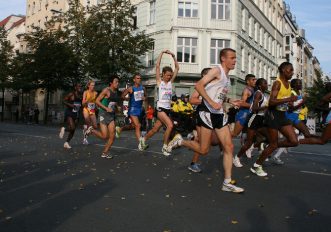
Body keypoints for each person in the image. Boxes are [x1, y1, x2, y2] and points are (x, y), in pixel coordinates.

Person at [168, 48, 245, 193]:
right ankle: (181, 141)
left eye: (235, 58)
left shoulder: (227, 77)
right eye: (232, 58)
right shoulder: (217, 70)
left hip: (219, 114)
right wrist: (210, 102)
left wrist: (230, 100)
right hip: (207, 113)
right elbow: (198, 86)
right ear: (223, 59)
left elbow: (218, 95)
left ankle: (227, 182)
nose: (235, 60)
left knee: (229, 147)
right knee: (204, 150)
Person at [251, 62, 298, 177]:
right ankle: (256, 166)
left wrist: (290, 104)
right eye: (290, 70)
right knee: (274, 145)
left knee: (294, 141)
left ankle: (270, 145)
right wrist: (288, 99)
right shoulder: (277, 83)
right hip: (273, 115)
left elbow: (283, 101)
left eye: (292, 70)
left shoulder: (288, 84)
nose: (292, 72)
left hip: (282, 115)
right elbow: (272, 102)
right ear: (283, 70)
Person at [139, 49, 179, 156]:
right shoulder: (159, 82)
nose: (169, 77)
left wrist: (173, 56)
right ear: (163, 75)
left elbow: (177, 68)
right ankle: (165, 147)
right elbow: (157, 66)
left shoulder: (170, 83)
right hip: (160, 109)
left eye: (170, 75)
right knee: (170, 126)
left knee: (155, 129)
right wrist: (162, 53)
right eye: (167, 75)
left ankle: (143, 140)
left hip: (167, 109)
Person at [233, 78, 269, 168]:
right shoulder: (258, 94)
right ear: (260, 85)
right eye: (265, 83)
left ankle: (253, 148)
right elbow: (254, 109)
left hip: (260, 119)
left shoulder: (264, 94)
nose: (267, 84)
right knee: (249, 141)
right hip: (254, 118)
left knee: (266, 138)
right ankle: (237, 158)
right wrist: (266, 107)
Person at [85, 75, 122, 158]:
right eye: (116, 82)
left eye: (118, 82)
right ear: (111, 83)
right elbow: (97, 101)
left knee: (112, 136)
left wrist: (117, 107)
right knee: (105, 136)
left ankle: (105, 152)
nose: (117, 83)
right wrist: (106, 108)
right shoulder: (106, 90)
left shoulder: (116, 92)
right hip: (103, 114)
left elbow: (113, 102)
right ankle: (92, 130)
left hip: (111, 116)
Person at [116, 73, 147, 150]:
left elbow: (146, 98)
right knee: (138, 125)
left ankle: (120, 129)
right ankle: (141, 144)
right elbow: (122, 96)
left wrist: (144, 99)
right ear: (134, 80)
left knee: (133, 126)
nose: (139, 80)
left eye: (140, 78)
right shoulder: (130, 88)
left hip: (139, 109)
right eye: (137, 78)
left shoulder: (143, 88)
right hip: (132, 109)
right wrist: (126, 99)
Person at [232, 74, 256, 158]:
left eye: (255, 79)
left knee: (252, 133)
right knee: (234, 134)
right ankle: (221, 142)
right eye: (253, 80)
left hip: (249, 114)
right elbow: (242, 103)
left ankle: (247, 149)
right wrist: (253, 106)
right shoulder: (247, 90)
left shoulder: (253, 89)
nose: (254, 81)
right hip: (243, 114)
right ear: (247, 81)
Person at [59, 83, 82, 149]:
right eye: (79, 86)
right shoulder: (71, 94)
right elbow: (63, 100)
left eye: (81, 86)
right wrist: (70, 105)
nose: (80, 87)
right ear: (75, 87)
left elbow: (81, 104)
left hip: (76, 113)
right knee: (72, 127)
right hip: (69, 112)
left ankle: (66, 143)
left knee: (73, 130)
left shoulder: (81, 95)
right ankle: (63, 129)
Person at [82, 80, 98, 145]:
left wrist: (97, 107)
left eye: (94, 85)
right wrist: (86, 101)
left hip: (92, 110)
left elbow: (96, 102)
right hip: (86, 109)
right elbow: (83, 103)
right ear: (88, 86)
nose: (93, 86)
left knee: (95, 126)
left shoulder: (96, 93)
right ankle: (85, 139)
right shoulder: (85, 92)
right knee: (88, 123)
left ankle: (85, 131)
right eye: (92, 85)